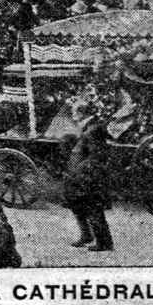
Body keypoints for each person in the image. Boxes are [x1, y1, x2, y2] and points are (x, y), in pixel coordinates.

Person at [62, 101, 114, 251]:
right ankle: (86, 235)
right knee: (77, 206)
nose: (72, 114)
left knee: (93, 209)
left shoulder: (92, 130)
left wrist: (80, 172)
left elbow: (96, 156)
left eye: (74, 112)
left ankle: (104, 243)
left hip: (87, 177)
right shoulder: (88, 127)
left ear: (82, 113)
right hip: (79, 175)